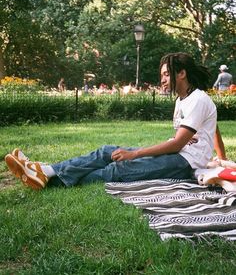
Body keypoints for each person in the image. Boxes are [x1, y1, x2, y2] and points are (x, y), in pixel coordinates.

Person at [5, 52, 226, 190]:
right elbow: (213, 127)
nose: (162, 79)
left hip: (184, 162)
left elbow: (178, 144)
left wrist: (135, 153)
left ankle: (49, 181)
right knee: (106, 152)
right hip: (175, 155)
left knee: (117, 170)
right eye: (162, 74)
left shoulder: (198, 99)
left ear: (182, 74)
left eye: (167, 74)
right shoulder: (183, 99)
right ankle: (46, 170)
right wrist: (222, 158)